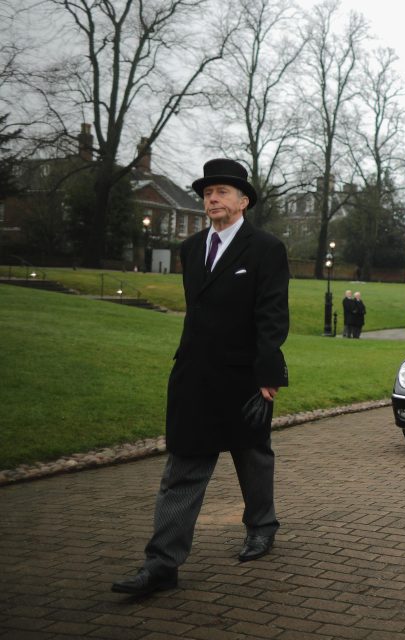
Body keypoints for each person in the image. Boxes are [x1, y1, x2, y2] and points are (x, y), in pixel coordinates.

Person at [111, 159, 290, 597]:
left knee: (252, 458)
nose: (212, 198)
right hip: (194, 375)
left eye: (222, 191)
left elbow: (272, 315)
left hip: (244, 376)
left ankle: (261, 527)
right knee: (183, 469)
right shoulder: (190, 250)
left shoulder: (265, 248)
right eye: (208, 192)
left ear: (243, 201)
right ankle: (162, 564)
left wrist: (268, 373)